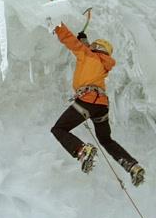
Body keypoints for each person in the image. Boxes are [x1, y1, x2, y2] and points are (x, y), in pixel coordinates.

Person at [50, 22, 144, 186]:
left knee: (58, 129)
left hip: (87, 101)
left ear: (96, 48)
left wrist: (56, 25)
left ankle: (82, 150)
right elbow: (86, 50)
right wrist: (84, 41)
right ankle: (132, 166)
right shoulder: (102, 63)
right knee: (106, 140)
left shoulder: (88, 55)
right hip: (101, 106)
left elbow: (71, 41)